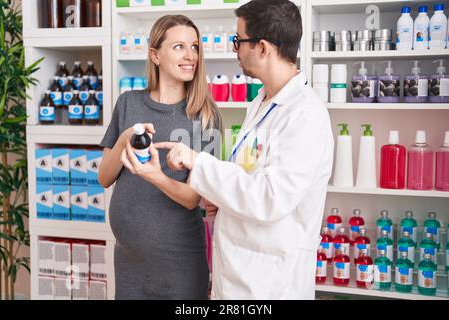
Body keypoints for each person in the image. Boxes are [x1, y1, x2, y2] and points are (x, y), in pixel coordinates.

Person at [153, 0, 334, 299]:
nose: (235, 49)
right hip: (240, 276)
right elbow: (250, 174)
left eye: (238, 41)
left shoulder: (305, 114)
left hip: (272, 285)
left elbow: (270, 197)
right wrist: (219, 197)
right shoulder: (262, 103)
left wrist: (199, 164)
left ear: (262, 48)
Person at [98, 15, 221, 300]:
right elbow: (104, 177)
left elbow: (193, 197)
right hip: (128, 261)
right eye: (179, 47)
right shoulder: (128, 102)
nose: (191, 55)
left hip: (179, 263)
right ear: (155, 55)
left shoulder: (204, 115)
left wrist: (153, 175)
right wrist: (126, 137)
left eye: (194, 46)